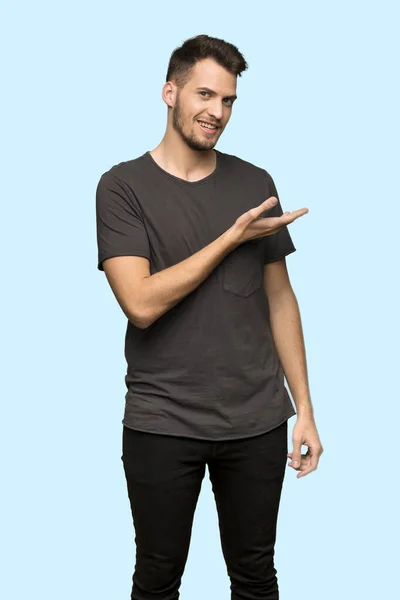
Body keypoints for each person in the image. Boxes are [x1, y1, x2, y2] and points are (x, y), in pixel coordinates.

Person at [96, 33, 323, 600]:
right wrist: (231, 238)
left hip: (257, 421)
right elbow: (141, 304)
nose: (217, 112)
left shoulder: (255, 183)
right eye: (205, 95)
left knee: (255, 577)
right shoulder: (122, 187)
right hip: (162, 421)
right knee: (157, 579)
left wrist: (306, 412)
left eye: (228, 101)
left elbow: (280, 300)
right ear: (169, 93)